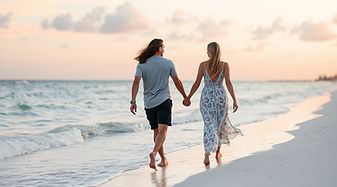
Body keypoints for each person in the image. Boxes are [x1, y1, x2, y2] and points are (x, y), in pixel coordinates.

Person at [130, 38, 188, 170]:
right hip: (164, 101)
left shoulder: (142, 64)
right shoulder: (168, 63)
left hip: (149, 104)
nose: (164, 50)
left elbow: (136, 82)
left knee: (156, 131)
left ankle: (163, 159)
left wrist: (133, 101)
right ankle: (155, 153)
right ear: (159, 48)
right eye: (163, 47)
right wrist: (185, 97)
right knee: (163, 130)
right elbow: (177, 82)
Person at [183, 42, 242, 165]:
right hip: (220, 96)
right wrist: (234, 100)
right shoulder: (225, 65)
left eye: (207, 50)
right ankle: (217, 152)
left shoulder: (203, 65)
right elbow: (229, 83)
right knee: (220, 124)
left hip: (207, 97)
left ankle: (206, 153)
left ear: (210, 51)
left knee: (209, 124)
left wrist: (188, 97)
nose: (206, 52)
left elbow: (197, 83)